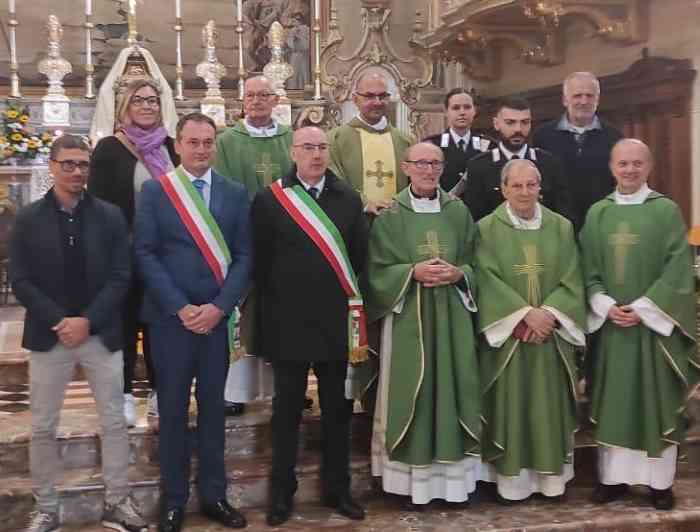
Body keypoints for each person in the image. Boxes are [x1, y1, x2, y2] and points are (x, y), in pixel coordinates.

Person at [10, 134, 147, 532]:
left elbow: (122, 276)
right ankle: (47, 507)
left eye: (83, 164)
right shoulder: (28, 218)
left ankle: (118, 501)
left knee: (114, 421)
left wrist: (87, 319)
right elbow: (20, 279)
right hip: (49, 334)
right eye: (67, 163)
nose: (76, 171)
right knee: (42, 426)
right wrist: (60, 320)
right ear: (52, 166)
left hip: (99, 332)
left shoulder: (109, 216)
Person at [134, 113, 251, 532]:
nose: (201, 149)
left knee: (215, 412)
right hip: (171, 322)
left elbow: (243, 257)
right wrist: (181, 308)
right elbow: (145, 253)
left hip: (216, 321)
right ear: (177, 146)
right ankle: (174, 500)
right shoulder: (156, 191)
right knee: (173, 411)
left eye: (208, 142)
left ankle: (215, 496)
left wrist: (219, 307)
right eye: (193, 142)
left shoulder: (235, 194)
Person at [251, 126, 368, 526]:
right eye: (308, 147)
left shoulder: (349, 200)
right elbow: (260, 269)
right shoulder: (270, 201)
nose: (316, 154)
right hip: (289, 326)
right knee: (286, 415)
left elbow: (359, 262)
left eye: (321, 147)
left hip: (335, 326)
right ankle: (281, 495)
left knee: (338, 412)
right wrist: (267, 330)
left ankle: (339, 491)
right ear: (293, 151)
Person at [580, 139, 697, 510]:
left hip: (652, 331)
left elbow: (678, 269)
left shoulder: (665, 211)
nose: (629, 170)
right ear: (612, 168)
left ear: (649, 167)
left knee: (654, 400)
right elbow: (585, 268)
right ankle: (613, 480)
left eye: (636, 164)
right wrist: (605, 304)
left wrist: (644, 308)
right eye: (623, 164)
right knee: (615, 400)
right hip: (612, 327)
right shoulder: (598, 213)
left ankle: (659, 483)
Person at [367, 142, 481, 508]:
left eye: (435, 164)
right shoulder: (389, 215)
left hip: (451, 317)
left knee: (451, 385)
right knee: (409, 390)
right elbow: (375, 269)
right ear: (406, 167)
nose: (429, 170)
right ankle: (406, 483)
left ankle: (452, 483)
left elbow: (478, 262)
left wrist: (459, 273)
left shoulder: (459, 212)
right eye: (421, 163)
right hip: (407, 317)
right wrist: (410, 272)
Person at [475, 159, 586, 503]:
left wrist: (549, 315)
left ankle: (551, 482)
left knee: (547, 406)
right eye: (516, 185)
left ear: (541, 187)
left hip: (550, 337)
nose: (525, 192)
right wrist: (522, 317)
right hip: (511, 338)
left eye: (531, 185)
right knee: (512, 406)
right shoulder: (485, 229)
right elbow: (484, 278)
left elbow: (573, 276)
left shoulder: (562, 227)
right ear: (503, 188)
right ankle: (511, 484)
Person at [89, 78, 180, 426]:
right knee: (123, 325)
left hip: (164, 254)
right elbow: (97, 205)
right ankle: (124, 394)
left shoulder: (171, 148)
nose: (147, 106)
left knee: (159, 325)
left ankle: (159, 393)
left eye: (153, 100)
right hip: (124, 253)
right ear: (125, 107)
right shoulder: (110, 149)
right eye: (139, 100)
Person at [214, 75, 291, 416]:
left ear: (276, 100)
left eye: (264, 95)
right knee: (240, 312)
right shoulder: (228, 141)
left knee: (281, 314)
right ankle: (235, 389)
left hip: (286, 242)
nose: (257, 101)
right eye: (251, 96)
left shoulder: (291, 140)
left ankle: (283, 388)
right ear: (242, 101)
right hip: (242, 239)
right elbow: (224, 188)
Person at [533, 71, 623, 231]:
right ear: (564, 100)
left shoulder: (615, 136)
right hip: (555, 226)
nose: (584, 101)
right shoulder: (543, 136)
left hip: (602, 225)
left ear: (597, 100)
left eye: (590, 96)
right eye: (577, 95)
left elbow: (619, 184)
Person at [463, 97, 573, 224]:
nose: (518, 129)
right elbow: (475, 218)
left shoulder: (549, 163)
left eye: (525, 122)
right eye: (510, 122)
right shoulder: (479, 166)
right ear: (496, 124)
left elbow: (563, 215)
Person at [328, 72, 413, 217]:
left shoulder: (405, 141)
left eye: (383, 96)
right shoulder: (336, 138)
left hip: (397, 221)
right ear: (355, 99)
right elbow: (332, 180)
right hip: (353, 219)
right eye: (369, 96)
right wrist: (364, 203)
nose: (377, 102)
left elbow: (417, 181)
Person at [423, 88, 491, 195]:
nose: (462, 112)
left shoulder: (489, 145)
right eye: (456, 108)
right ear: (446, 112)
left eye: (467, 107)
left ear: (475, 111)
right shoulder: (431, 145)